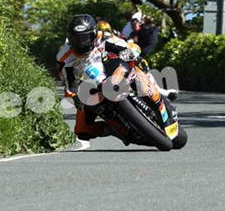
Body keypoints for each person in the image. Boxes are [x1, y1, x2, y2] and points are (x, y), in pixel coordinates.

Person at [56, 14, 174, 142]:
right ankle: (114, 129)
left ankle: (158, 99)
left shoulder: (104, 37)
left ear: (94, 34)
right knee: (81, 130)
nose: (81, 42)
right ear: (70, 38)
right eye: (77, 39)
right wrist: (75, 96)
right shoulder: (64, 57)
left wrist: (130, 53)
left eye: (85, 38)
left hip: (114, 71)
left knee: (139, 65)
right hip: (91, 86)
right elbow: (69, 83)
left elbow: (131, 47)